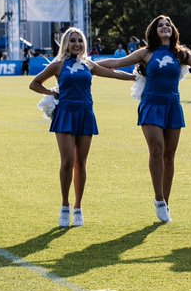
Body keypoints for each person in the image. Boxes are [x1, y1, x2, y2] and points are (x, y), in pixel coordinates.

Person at [97, 15, 191, 224]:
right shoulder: (146, 53)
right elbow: (116, 62)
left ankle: (166, 202)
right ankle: (158, 199)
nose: (165, 27)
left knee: (169, 156)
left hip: (172, 107)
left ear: (173, 30)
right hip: (151, 105)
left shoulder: (180, 53)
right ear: (154, 31)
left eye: (168, 25)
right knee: (156, 149)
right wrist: (88, 65)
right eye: (160, 25)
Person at [28, 27, 135, 228]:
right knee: (67, 161)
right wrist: (51, 93)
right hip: (65, 115)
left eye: (79, 40)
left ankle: (78, 207)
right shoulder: (58, 65)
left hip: (85, 114)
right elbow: (34, 84)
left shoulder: (88, 64)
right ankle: (64, 206)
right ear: (66, 43)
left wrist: (135, 77)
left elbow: (112, 73)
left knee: (81, 163)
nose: (77, 44)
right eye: (73, 40)